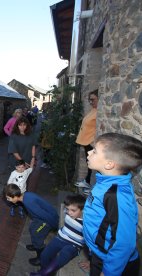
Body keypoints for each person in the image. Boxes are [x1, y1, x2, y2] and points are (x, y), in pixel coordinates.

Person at [83, 133, 142, 276]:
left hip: (114, 265)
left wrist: (109, 272)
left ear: (109, 164)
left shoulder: (116, 195)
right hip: (100, 254)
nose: (89, 153)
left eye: (95, 151)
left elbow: (124, 244)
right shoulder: (106, 181)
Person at [31, 194, 86, 276]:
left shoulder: (86, 222)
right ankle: (46, 272)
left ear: (82, 210)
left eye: (73, 210)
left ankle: (43, 274)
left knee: (64, 254)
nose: (69, 213)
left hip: (74, 244)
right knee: (44, 255)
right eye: (68, 209)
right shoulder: (67, 212)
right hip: (61, 238)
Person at [4, 184, 59, 266]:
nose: (8, 200)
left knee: (36, 234)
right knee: (32, 228)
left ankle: (41, 258)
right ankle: (35, 245)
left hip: (48, 219)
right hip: (40, 218)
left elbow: (44, 215)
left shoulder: (28, 202)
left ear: (15, 196)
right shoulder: (25, 196)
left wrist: (55, 224)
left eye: (9, 198)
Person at [75, 90, 98, 190]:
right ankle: (87, 181)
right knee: (89, 162)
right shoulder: (93, 110)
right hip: (86, 141)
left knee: (92, 163)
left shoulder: (98, 111)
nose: (91, 102)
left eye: (92, 100)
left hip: (90, 142)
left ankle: (88, 183)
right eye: (89, 100)